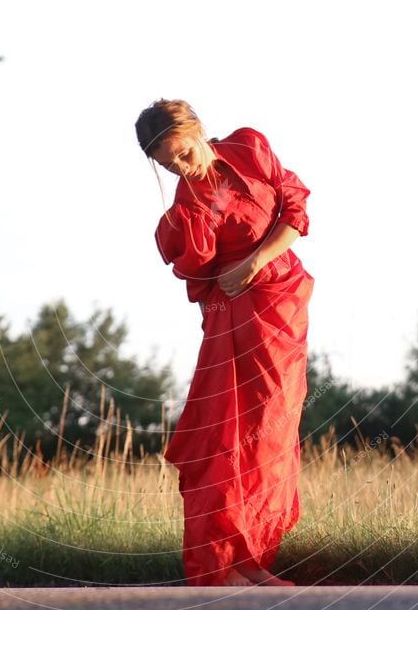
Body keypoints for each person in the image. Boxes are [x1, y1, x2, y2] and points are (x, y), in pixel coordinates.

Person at [135, 98, 315, 587]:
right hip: (234, 318)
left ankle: (253, 562)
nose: (179, 168)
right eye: (166, 164)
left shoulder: (250, 147)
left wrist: (255, 261)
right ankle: (220, 567)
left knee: (272, 435)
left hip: (283, 304)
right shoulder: (188, 203)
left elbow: (295, 211)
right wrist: (191, 223)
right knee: (227, 436)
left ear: (198, 131)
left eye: (183, 154)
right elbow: (195, 267)